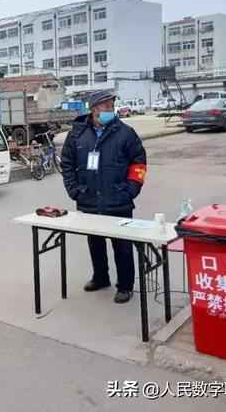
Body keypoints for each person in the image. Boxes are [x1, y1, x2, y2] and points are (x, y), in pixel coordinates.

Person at [60, 90, 147, 304]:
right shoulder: (78, 134)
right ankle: (100, 278)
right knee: (95, 244)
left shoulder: (126, 133)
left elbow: (139, 163)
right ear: (94, 109)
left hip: (118, 201)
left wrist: (130, 190)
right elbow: (67, 163)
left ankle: (125, 286)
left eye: (111, 105)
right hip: (88, 200)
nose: (111, 109)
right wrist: (74, 190)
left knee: (122, 247)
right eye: (106, 106)